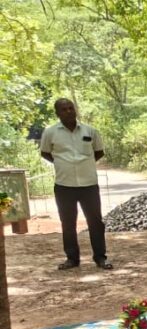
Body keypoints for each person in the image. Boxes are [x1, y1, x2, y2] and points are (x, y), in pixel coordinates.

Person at [39, 98, 110, 270]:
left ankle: (100, 258)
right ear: (57, 113)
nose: (69, 111)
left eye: (71, 108)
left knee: (95, 222)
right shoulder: (50, 133)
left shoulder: (90, 131)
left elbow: (98, 152)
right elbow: (46, 153)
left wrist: (82, 164)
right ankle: (72, 258)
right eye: (64, 109)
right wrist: (64, 164)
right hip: (64, 185)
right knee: (68, 222)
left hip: (89, 184)